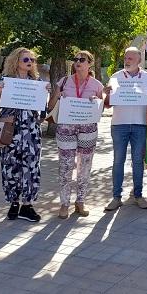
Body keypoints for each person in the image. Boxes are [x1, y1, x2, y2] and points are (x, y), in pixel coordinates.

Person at [0, 47, 51, 222]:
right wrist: (0, 92)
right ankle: (14, 203)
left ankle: (27, 205)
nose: (30, 62)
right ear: (16, 61)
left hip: (31, 133)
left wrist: (46, 93)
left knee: (31, 168)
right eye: (25, 59)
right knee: (10, 168)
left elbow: (43, 112)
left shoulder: (37, 82)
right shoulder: (5, 81)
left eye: (32, 60)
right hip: (9, 132)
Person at [49, 51, 104, 219]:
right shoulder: (64, 81)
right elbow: (50, 105)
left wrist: (98, 99)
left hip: (88, 130)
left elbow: (103, 107)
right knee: (66, 166)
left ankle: (80, 201)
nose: (78, 62)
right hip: (66, 129)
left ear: (90, 64)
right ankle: (64, 203)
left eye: (82, 60)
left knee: (84, 166)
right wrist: (58, 96)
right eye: (76, 59)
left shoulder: (96, 84)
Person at [103, 47, 147, 211]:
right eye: (126, 57)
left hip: (140, 125)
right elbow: (108, 104)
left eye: (131, 58)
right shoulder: (116, 77)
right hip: (119, 125)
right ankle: (116, 197)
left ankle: (138, 195)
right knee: (118, 161)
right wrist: (107, 94)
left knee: (138, 161)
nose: (127, 60)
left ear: (139, 60)